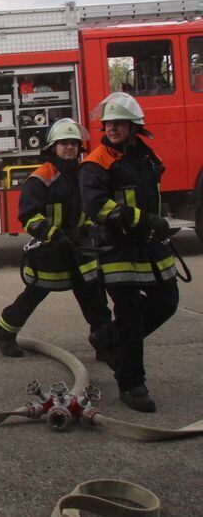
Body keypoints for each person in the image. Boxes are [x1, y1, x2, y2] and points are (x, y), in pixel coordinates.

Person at [80, 92, 179, 413]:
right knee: (130, 316)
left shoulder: (145, 156)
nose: (112, 128)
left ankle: (108, 338)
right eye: (108, 123)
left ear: (134, 126)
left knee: (167, 302)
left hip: (150, 246)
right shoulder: (96, 162)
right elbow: (97, 206)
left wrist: (155, 224)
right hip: (117, 248)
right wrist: (143, 220)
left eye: (119, 123)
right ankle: (131, 383)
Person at [0, 119, 111, 357]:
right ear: (52, 147)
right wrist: (54, 236)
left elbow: (91, 207)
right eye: (64, 143)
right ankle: (3, 334)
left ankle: (105, 343)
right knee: (33, 295)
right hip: (51, 250)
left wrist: (89, 231)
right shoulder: (41, 178)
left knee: (95, 300)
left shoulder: (83, 174)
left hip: (81, 249)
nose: (70, 148)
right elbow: (28, 216)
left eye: (74, 144)